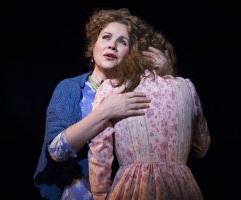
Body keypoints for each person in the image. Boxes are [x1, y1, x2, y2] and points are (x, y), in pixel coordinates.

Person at [33, 8, 172, 200]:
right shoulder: (71, 88)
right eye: (106, 37)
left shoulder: (136, 91)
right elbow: (56, 151)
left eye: (122, 42)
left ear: (131, 53)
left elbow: (170, 136)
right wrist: (106, 111)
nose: (112, 46)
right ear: (92, 46)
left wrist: (165, 76)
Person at [88, 9, 211, 200]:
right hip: (182, 187)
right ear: (166, 56)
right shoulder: (186, 87)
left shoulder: (112, 88)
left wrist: (99, 194)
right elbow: (202, 147)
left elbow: (100, 150)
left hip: (131, 187)